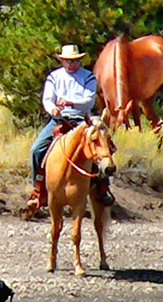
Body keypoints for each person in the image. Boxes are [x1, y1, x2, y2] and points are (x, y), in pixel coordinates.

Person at [26, 44, 114, 211]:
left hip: (83, 120)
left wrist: (70, 102)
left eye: (74, 61)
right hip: (59, 120)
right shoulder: (54, 77)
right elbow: (47, 99)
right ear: (62, 60)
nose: (71, 64)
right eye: (68, 61)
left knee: (103, 145)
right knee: (37, 149)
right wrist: (53, 109)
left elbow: (89, 100)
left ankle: (103, 186)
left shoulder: (88, 77)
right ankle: (38, 189)